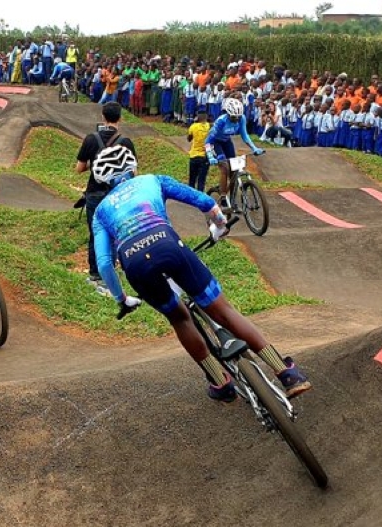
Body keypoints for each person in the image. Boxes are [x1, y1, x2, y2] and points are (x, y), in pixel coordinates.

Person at [89, 144, 311, 402]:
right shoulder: (153, 180)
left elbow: (104, 263)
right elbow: (205, 202)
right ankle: (286, 372)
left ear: (104, 180)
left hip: (136, 264)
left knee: (180, 319)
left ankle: (221, 382)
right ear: (133, 167)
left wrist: (122, 299)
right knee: (223, 311)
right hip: (168, 245)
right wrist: (220, 226)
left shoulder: (101, 211)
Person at [75, 101, 133, 292]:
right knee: (115, 233)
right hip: (117, 195)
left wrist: (97, 164)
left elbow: (79, 168)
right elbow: (133, 172)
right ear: (120, 118)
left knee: (96, 233)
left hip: (94, 193)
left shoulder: (91, 139)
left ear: (103, 117)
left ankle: (95, 274)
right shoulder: (125, 142)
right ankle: (112, 271)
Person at [205, 97, 264, 210]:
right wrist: (210, 156)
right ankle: (223, 197)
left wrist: (254, 148)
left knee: (234, 171)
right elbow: (208, 141)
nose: (236, 120)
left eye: (238, 117)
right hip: (216, 144)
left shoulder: (242, 118)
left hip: (227, 142)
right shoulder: (221, 121)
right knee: (225, 168)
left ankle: (232, 200)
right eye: (233, 117)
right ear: (227, 114)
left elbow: (244, 135)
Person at [186, 109, 210, 191]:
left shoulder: (193, 126)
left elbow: (189, 139)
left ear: (197, 117)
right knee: (201, 180)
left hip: (194, 156)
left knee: (192, 180)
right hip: (205, 157)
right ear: (206, 117)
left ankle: (191, 196)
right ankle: (200, 196)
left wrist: (195, 122)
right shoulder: (209, 126)